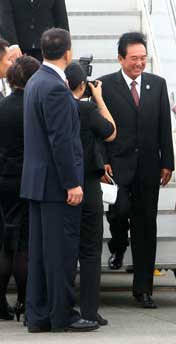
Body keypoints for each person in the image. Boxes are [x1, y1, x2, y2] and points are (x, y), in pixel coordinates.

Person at [21, 28, 98, 332]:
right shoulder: (54, 87)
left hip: (38, 183)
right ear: (68, 52)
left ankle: (39, 314)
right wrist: (72, 182)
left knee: (40, 255)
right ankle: (61, 314)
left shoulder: (35, 82)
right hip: (56, 185)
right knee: (61, 253)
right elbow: (61, 140)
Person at [99, 32, 174, 309]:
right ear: (121, 58)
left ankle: (143, 289)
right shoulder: (105, 85)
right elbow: (99, 128)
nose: (139, 64)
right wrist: (102, 160)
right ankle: (118, 244)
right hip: (117, 166)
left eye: (143, 58)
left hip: (148, 168)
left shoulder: (157, 84)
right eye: (134, 59)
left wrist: (168, 161)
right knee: (118, 212)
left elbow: (164, 125)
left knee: (145, 226)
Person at [65, 63, 117, 326]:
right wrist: (98, 98)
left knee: (64, 249)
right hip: (88, 184)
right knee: (89, 250)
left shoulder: (57, 108)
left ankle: (64, 306)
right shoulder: (86, 109)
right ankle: (89, 310)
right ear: (83, 85)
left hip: (62, 186)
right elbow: (111, 131)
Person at [0, 56, 40, 322]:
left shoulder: (1, 106)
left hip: (3, 178)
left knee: (4, 243)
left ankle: (0, 303)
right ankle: (25, 301)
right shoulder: (34, 107)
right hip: (28, 179)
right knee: (25, 244)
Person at [0, 0, 69, 62]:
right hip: (18, 49)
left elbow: (61, 17)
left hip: (48, 47)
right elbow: (5, 16)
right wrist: (13, 44)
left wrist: (66, 46)